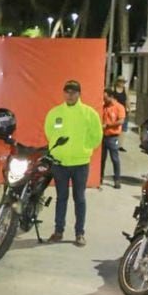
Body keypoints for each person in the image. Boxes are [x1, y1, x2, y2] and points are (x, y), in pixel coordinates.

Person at [44, 80, 103, 246]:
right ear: (63, 93)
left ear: (79, 94)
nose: (70, 95)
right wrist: (59, 152)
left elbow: (96, 136)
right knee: (61, 197)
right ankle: (58, 231)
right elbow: (49, 133)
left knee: (79, 198)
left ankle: (79, 233)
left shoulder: (89, 114)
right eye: (67, 92)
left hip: (80, 164)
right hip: (59, 164)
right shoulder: (54, 113)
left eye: (73, 92)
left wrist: (84, 149)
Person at [101, 87, 126, 189]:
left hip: (113, 137)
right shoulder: (103, 106)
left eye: (106, 98)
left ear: (111, 97)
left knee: (115, 159)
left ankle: (117, 180)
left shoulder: (119, 107)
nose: (104, 100)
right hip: (102, 136)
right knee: (102, 159)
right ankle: (100, 178)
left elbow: (121, 121)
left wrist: (108, 125)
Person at [111, 76, 130, 149]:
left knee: (124, 129)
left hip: (124, 111)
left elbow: (127, 100)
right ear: (117, 82)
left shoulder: (125, 90)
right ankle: (115, 143)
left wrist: (129, 108)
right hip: (115, 111)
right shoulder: (113, 89)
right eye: (120, 81)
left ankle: (120, 145)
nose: (122, 83)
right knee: (116, 128)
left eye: (123, 82)